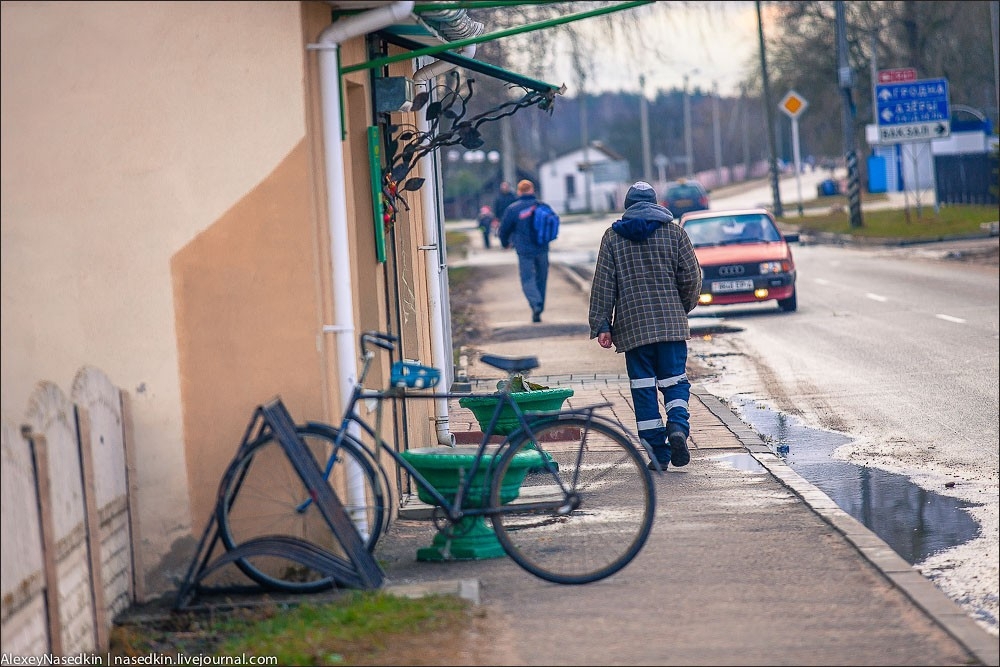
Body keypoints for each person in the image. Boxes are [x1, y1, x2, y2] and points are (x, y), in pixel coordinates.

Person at [588, 181, 703, 470]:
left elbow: (604, 284)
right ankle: (677, 427)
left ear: (627, 206)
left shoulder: (612, 237)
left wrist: (602, 324)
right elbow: (691, 276)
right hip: (670, 326)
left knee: (643, 390)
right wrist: (682, 308)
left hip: (632, 328)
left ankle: (658, 454)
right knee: (675, 382)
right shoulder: (675, 232)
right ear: (656, 203)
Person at [499, 179, 549, 323]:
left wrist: (504, 243)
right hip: (542, 248)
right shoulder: (543, 206)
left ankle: (535, 303)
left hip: (524, 249)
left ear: (519, 191)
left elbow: (504, 229)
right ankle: (539, 306)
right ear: (532, 190)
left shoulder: (513, 209)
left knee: (527, 279)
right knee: (542, 278)